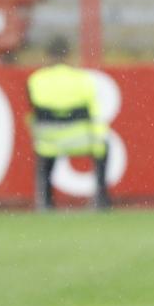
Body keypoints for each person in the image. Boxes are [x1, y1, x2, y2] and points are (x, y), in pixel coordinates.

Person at [28, 37, 109, 212]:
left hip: (48, 142)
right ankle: (101, 198)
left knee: (45, 161)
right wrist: (98, 139)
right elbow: (94, 112)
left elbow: (32, 112)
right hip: (80, 139)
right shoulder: (83, 78)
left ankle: (46, 202)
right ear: (69, 56)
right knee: (104, 147)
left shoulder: (36, 79)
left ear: (47, 56)